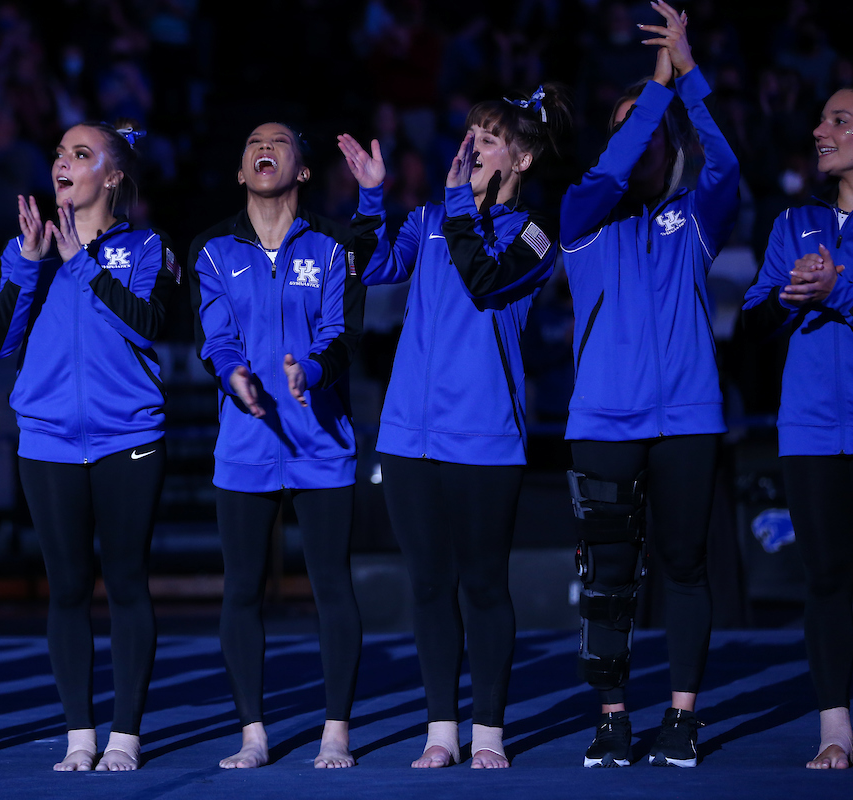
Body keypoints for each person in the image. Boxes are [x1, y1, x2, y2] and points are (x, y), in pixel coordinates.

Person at [337, 80, 571, 769]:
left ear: (523, 160)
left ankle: (490, 732)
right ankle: (442, 728)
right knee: (430, 585)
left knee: (484, 585)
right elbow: (371, 266)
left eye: (491, 138)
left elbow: (481, 279)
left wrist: (463, 207)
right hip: (409, 436)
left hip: (485, 439)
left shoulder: (533, 237)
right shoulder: (432, 217)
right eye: (471, 133)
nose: (473, 147)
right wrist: (373, 197)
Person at [559, 1, 739, 768]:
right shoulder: (582, 216)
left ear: (671, 146)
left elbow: (726, 164)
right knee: (605, 579)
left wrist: (687, 77)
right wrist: (656, 90)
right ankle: (611, 716)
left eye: (657, 128)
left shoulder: (695, 219)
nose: (646, 135)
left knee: (686, 566)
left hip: (689, 419)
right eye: (632, 123)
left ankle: (682, 717)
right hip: (602, 421)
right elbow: (612, 167)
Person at [0, 121, 177, 772]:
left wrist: (83, 265)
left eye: (81, 154)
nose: (64, 161)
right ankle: (78, 736)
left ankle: (125, 735)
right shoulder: (32, 248)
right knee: (66, 588)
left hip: (128, 439)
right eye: (61, 152)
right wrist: (31, 264)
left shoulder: (147, 246)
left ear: (112, 177)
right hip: (48, 441)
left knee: (124, 582)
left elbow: (150, 325)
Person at [187, 122, 367, 769]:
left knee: (331, 587)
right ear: (241, 171)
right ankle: (253, 735)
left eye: (281, 141)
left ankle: (335, 732)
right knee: (242, 589)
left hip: (321, 443)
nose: (264, 147)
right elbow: (216, 336)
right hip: (245, 443)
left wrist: (308, 372)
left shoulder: (332, 245)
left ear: (304, 169)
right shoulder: (211, 251)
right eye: (253, 143)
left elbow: (345, 335)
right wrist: (235, 377)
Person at [742, 86, 853, 770]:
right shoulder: (794, 222)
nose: (820, 130)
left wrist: (836, 288)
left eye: (839, 121)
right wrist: (790, 292)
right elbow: (750, 323)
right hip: (811, 429)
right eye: (821, 119)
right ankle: (835, 730)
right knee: (827, 580)